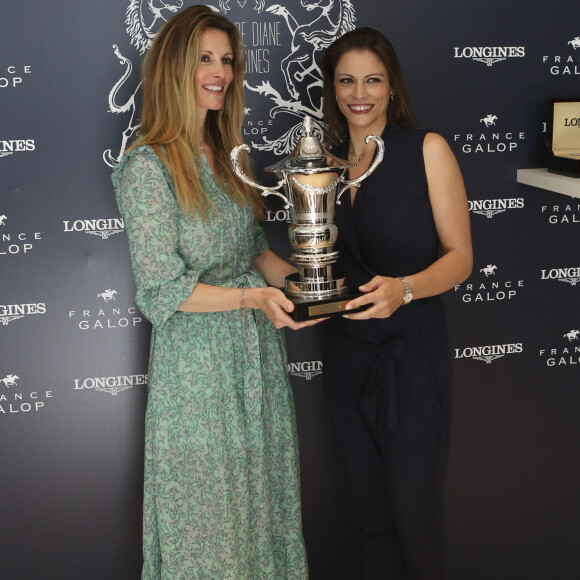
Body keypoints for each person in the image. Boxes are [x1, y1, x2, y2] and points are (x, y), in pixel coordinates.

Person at [111, 6, 316, 578]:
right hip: (198, 375)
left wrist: (305, 286)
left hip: (255, 363)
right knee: (207, 521)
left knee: (263, 509)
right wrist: (253, 300)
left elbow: (255, 250)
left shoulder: (229, 157)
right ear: (175, 67)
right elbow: (162, 291)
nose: (220, 71)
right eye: (205, 58)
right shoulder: (146, 167)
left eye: (227, 60)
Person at [320, 28, 473, 580]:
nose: (359, 93)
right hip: (346, 358)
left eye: (372, 79)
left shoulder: (425, 149)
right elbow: (316, 266)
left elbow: (460, 259)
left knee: (416, 525)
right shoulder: (322, 166)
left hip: (410, 362)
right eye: (346, 80)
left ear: (391, 87)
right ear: (333, 88)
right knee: (369, 523)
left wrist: (403, 288)